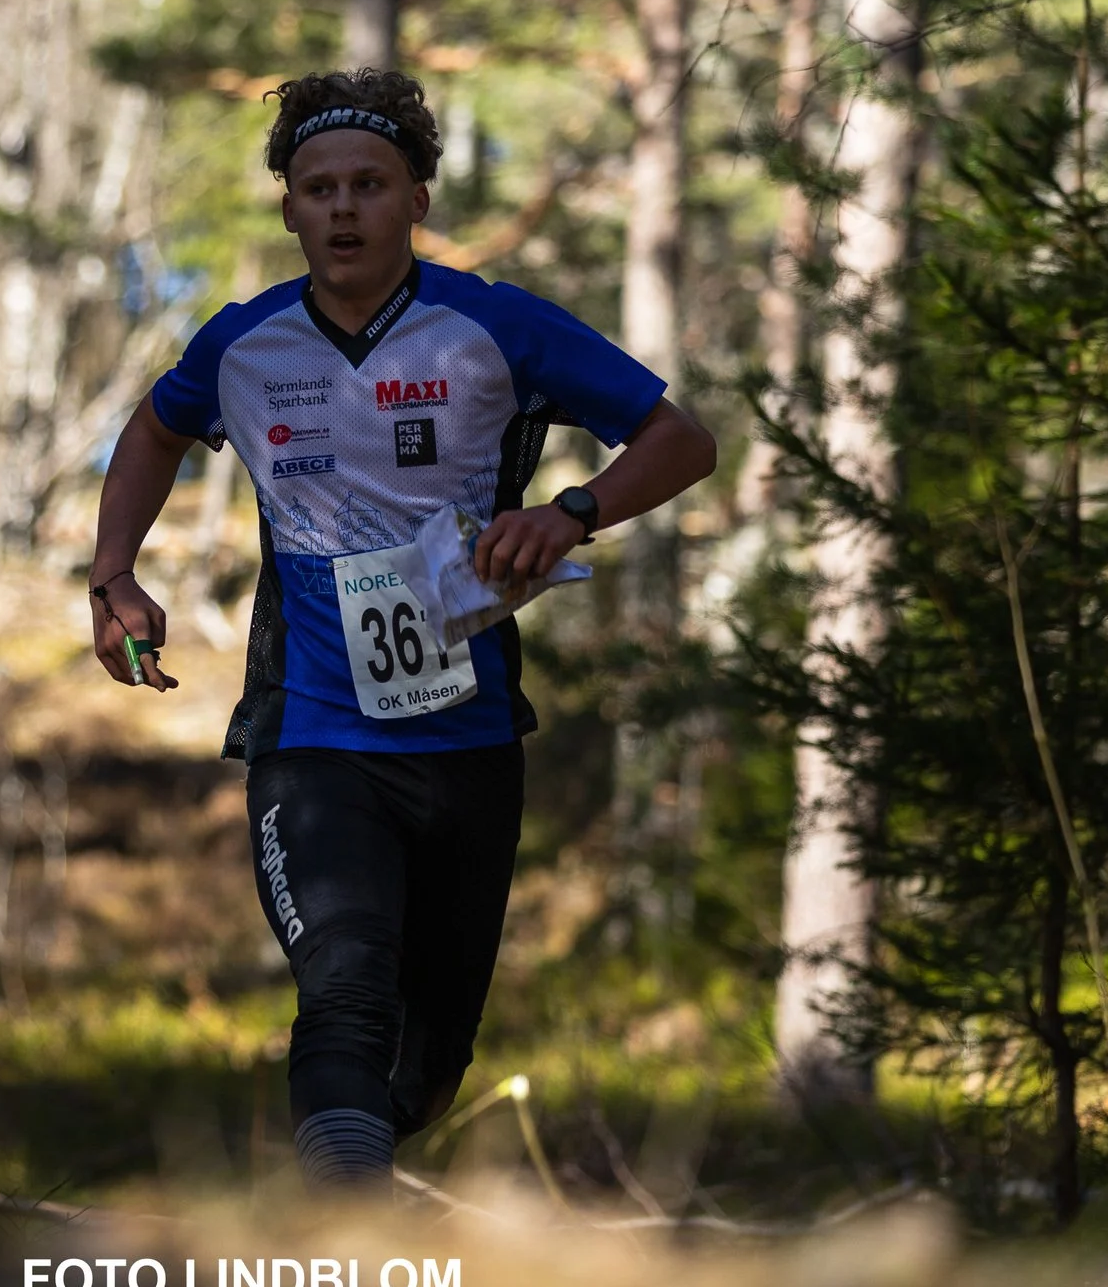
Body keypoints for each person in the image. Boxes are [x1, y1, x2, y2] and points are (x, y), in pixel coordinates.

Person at [86, 68, 717, 1189]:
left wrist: (568, 511)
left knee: (428, 1067)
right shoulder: (243, 343)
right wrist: (112, 574)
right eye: (318, 187)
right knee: (344, 983)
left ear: (416, 198)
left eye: (369, 184)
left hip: (469, 742)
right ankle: (347, 1233)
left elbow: (681, 440)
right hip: (312, 735)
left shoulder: (493, 325)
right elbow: (152, 432)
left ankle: (349, 1168)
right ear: (288, 207)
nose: (343, 207)